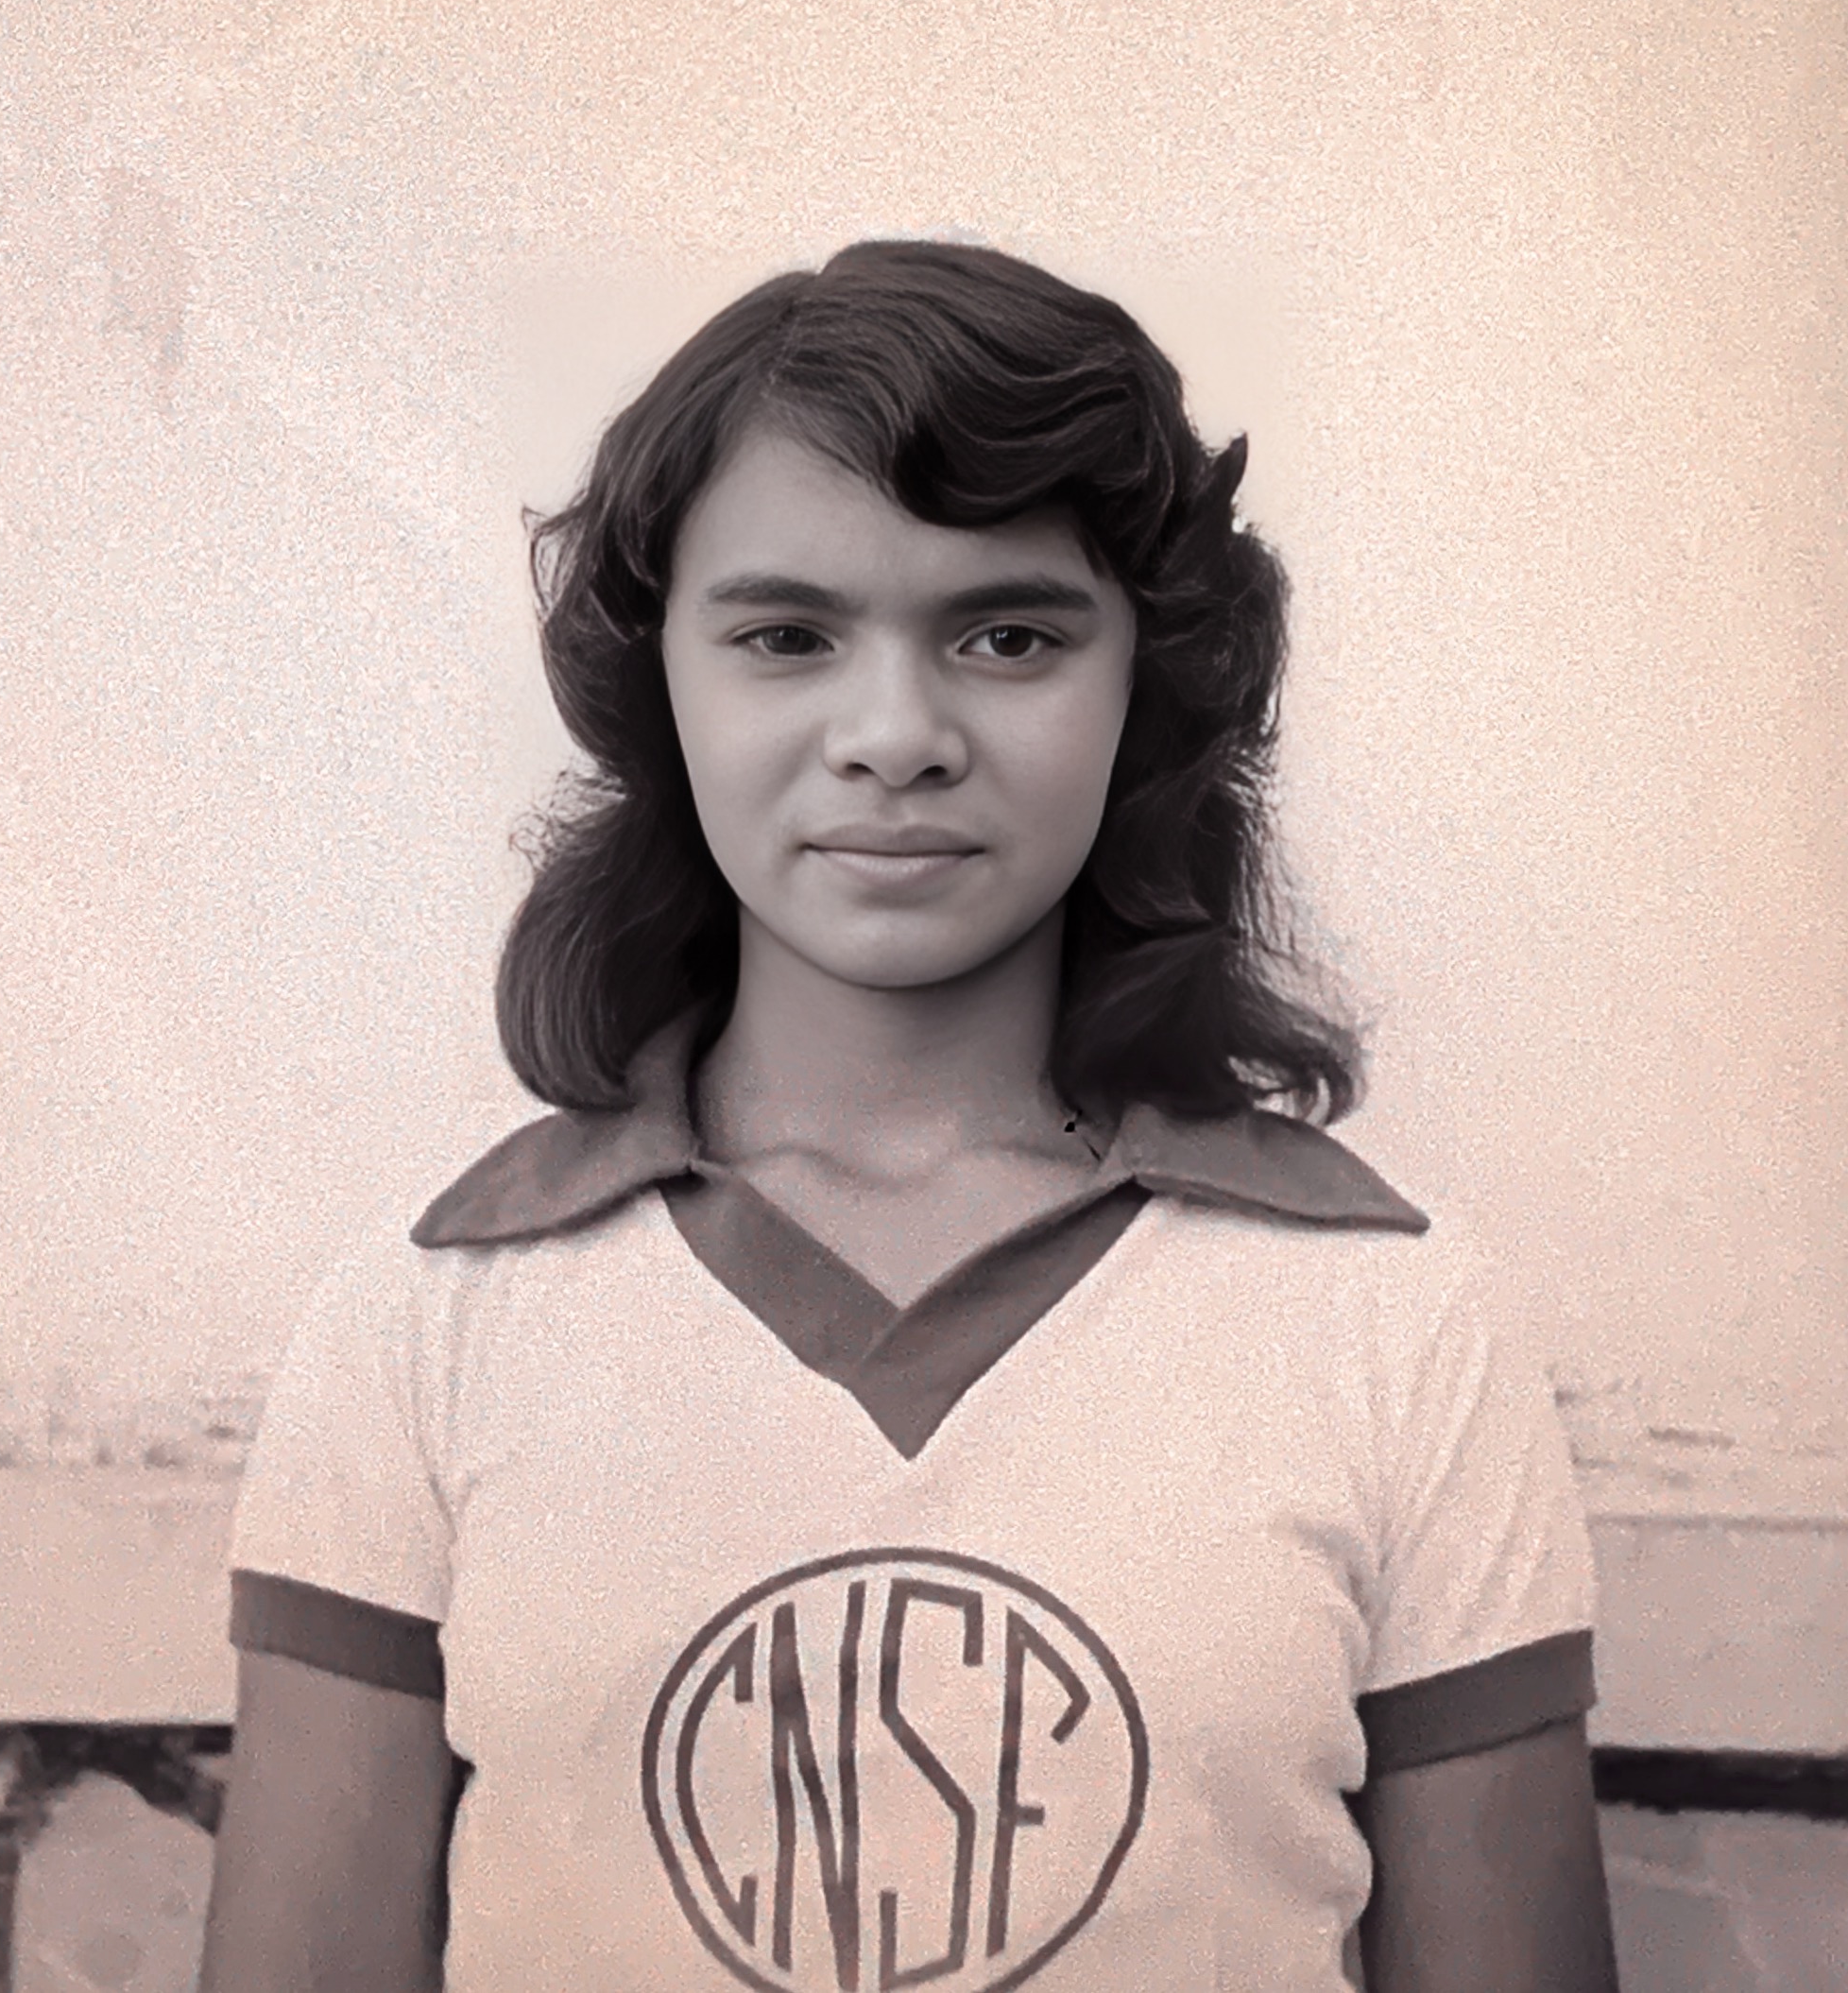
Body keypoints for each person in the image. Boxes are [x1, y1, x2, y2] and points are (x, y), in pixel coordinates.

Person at [201, 241, 1619, 1992]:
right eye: (786, 635)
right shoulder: (422, 1326)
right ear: (664, 688)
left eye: (1007, 633)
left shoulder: (1396, 1322)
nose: (895, 733)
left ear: (1142, 684)